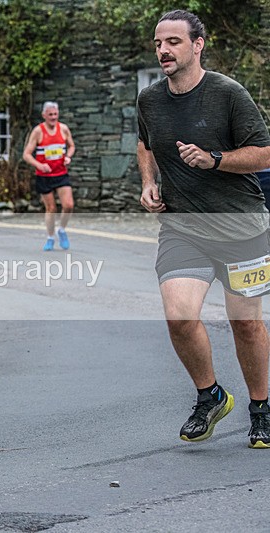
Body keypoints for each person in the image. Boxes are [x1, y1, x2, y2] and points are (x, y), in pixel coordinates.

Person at [137, 9, 270, 448]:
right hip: (183, 227)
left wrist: (215, 160)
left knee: (245, 325)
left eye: (173, 42)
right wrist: (149, 183)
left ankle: (261, 408)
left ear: (198, 45)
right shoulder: (150, 100)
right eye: (158, 43)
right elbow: (145, 142)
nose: (163, 51)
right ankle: (209, 395)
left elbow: (264, 153)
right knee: (179, 315)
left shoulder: (228, 94)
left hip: (241, 227)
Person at [22, 101, 76, 251]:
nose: (53, 117)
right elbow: (26, 155)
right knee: (51, 208)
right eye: (50, 114)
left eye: (55, 114)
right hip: (44, 176)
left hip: (60, 174)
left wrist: (68, 157)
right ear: (44, 115)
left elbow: (71, 146)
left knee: (68, 205)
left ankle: (62, 230)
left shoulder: (63, 129)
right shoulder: (38, 131)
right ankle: (50, 237)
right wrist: (39, 165)